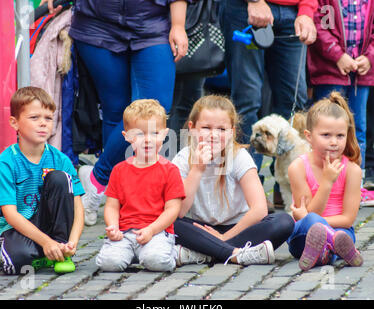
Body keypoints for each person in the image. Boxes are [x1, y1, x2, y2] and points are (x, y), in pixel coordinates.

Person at [40, 0, 190, 226]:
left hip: (152, 24)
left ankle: (96, 181)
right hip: (96, 25)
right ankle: (123, 198)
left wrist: (178, 24)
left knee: (152, 110)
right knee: (114, 113)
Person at [172, 95, 295, 266]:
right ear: (192, 128)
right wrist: (197, 169)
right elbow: (178, 211)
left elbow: (259, 209)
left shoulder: (239, 157)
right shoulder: (183, 158)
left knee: (284, 222)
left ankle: (206, 253)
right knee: (170, 222)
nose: (214, 135)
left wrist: (223, 238)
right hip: (202, 231)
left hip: (239, 229)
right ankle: (236, 254)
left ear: (231, 132)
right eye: (206, 128)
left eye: (222, 130)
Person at [0, 87, 85, 275]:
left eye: (48, 118)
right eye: (34, 118)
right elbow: (11, 215)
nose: (43, 124)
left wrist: (72, 242)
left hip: (48, 227)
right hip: (16, 228)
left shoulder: (61, 160)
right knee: (17, 263)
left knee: (59, 178)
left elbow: (77, 208)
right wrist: (46, 242)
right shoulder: (4, 162)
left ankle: (60, 250)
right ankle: (46, 251)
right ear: (14, 123)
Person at [219, 0, 318, 172]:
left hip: (293, 12)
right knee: (247, 101)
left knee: (294, 102)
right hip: (245, 8)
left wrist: (307, 10)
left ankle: (289, 188)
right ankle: (248, 185)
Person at [95, 100, 185, 272]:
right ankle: (130, 253)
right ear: (127, 136)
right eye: (140, 134)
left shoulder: (170, 170)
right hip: (125, 232)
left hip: (157, 231)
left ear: (165, 134)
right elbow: (112, 206)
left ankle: (173, 252)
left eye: (154, 133)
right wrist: (113, 226)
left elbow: (173, 209)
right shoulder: (119, 170)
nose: (147, 140)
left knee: (156, 261)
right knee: (108, 264)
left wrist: (152, 230)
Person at [287, 91, 363, 271]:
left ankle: (325, 253)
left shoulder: (352, 170)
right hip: (303, 235)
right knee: (313, 222)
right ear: (308, 136)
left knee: (341, 235)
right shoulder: (297, 167)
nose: (334, 142)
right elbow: (309, 214)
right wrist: (327, 183)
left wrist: (318, 222)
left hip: (341, 230)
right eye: (326, 135)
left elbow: (348, 219)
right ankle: (332, 247)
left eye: (340, 136)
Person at [307, 0, 374, 176]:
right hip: (330, 69)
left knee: (357, 129)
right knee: (326, 128)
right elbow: (319, 26)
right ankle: (322, 180)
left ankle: (354, 182)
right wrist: (338, 56)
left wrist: (369, 57)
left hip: (361, 73)